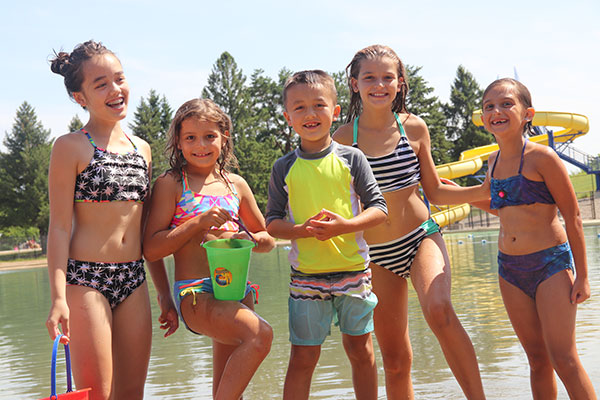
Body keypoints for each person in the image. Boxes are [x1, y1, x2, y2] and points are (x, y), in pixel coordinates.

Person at [333, 44, 487, 400]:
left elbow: (433, 190)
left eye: (388, 77)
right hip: (375, 255)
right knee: (397, 359)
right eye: (369, 77)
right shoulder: (342, 140)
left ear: (400, 83)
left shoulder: (414, 128)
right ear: (354, 83)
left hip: (420, 237)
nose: (379, 84)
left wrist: (482, 191)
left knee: (439, 309)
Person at [266, 70, 388, 400]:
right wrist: (301, 231)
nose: (310, 114)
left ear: (334, 111)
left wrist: (344, 226)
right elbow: (272, 223)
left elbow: (379, 208)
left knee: (361, 351)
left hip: (354, 272)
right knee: (303, 357)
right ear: (287, 116)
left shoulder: (352, 158)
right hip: (306, 277)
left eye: (319, 105)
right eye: (300, 107)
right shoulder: (283, 167)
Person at [143, 98, 274, 400]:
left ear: (223, 137)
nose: (200, 145)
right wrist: (197, 223)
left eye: (209, 136)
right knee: (260, 335)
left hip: (235, 290)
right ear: (178, 141)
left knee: (228, 389)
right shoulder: (172, 183)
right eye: (190, 138)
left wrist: (252, 240)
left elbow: (266, 238)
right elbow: (151, 249)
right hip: (195, 293)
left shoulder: (235, 185)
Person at [475, 78, 596, 399]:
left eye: (506, 104)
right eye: (489, 106)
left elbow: (573, 216)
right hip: (509, 270)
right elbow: (504, 208)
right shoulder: (493, 162)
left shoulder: (544, 158)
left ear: (528, 113)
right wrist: (458, 193)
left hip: (550, 265)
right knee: (537, 360)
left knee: (564, 359)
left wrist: (583, 276)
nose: (496, 111)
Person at [46, 40, 152, 400]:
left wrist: (165, 296)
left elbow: (146, 230)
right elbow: (59, 227)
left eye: (119, 79)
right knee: (97, 395)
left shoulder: (143, 149)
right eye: (100, 84)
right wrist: (58, 297)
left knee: (132, 393)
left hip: (134, 279)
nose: (115, 90)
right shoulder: (69, 147)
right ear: (80, 97)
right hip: (86, 279)